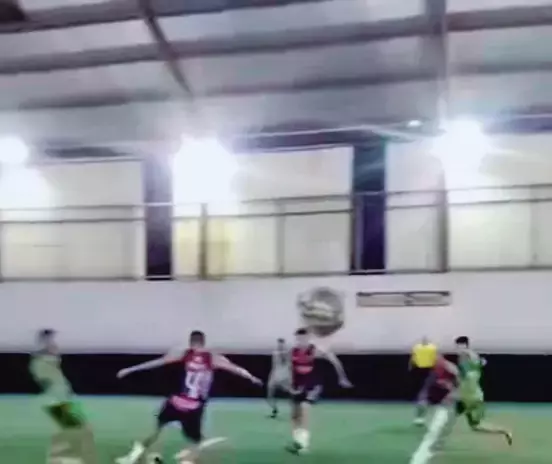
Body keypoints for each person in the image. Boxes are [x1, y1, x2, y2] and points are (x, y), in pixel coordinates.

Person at [115, 330, 263, 464]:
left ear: (191, 342)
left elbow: (157, 362)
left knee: (157, 429)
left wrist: (130, 369)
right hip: (194, 405)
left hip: (177, 400)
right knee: (196, 441)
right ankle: (188, 462)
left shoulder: (184, 353)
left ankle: (132, 457)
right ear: (203, 342)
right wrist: (252, 377)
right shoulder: (213, 357)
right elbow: (236, 369)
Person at [29, 329, 97, 464]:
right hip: (59, 400)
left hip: (62, 399)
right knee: (77, 430)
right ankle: (64, 457)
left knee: (79, 430)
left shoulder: (51, 372)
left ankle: (66, 455)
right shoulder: (44, 368)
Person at [286, 328, 352, 455]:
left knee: (304, 408)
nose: (301, 341)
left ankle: (304, 445)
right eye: (299, 339)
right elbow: (289, 368)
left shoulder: (315, 350)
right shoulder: (293, 351)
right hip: (297, 385)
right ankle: (298, 441)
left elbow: (334, 361)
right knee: (295, 415)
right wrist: (290, 384)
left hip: (313, 385)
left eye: (304, 338)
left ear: (308, 338)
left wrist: (342, 378)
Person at [454, 336, 512, 445]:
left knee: (450, 415)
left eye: (458, 346)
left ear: (464, 345)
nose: (457, 349)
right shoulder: (472, 357)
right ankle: (504, 431)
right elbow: (481, 363)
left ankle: (434, 442)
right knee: (475, 426)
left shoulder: (465, 357)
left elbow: (465, 373)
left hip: (469, 398)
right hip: (475, 396)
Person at [409, 355, 459, 464]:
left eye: (437, 360)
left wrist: (451, 389)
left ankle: (440, 439)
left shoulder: (450, 368)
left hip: (446, 390)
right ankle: (419, 418)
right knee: (422, 401)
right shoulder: (433, 371)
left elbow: (458, 380)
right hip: (433, 388)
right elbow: (427, 385)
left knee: (447, 414)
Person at [409, 336, 438, 425]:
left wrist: (411, 368)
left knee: (423, 392)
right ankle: (421, 415)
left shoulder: (418, 347)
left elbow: (413, 360)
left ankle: (420, 415)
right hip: (426, 370)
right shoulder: (432, 347)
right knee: (424, 392)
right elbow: (435, 360)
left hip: (420, 370)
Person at [267, 338, 291, 419]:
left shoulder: (287, 353)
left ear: (284, 344)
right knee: (270, 394)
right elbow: (274, 365)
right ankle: (274, 410)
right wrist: (272, 376)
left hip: (285, 377)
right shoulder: (275, 353)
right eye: (279, 344)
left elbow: (288, 363)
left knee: (291, 394)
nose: (280, 345)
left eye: (282, 344)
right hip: (275, 376)